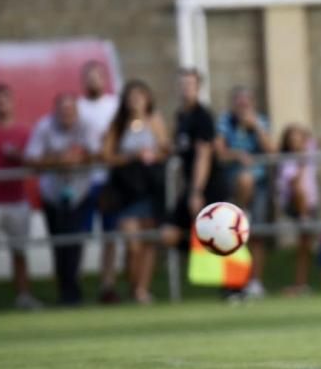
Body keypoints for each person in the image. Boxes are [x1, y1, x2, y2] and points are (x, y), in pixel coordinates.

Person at [26, 93, 100, 306]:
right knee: (58, 243)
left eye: (71, 110)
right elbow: (32, 158)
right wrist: (58, 160)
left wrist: (79, 157)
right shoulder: (44, 126)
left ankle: (74, 292)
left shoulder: (87, 125)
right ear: (56, 110)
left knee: (76, 240)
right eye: (63, 110)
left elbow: (98, 153)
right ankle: (64, 292)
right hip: (53, 193)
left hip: (80, 192)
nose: (67, 114)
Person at [102, 79, 169, 304]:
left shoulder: (154, 120)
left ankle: (142, 289)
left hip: (149, 188)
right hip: (126, 190)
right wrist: (131, 157)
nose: (136, 101)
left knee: (148, 241)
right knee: (133, 243)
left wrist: (151, 154)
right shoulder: (119, 124)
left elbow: (164, 149)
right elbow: (107, 156)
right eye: (132, 97)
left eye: (140, 96)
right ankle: (133, 283)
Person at [0, 85, 41, 313]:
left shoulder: (25, 132)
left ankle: (23, 296)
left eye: (6, 98)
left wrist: (18, 156)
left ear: (12, 102)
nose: (2, 103)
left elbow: (34, 162)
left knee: (20, 252)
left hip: (16, 200)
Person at [218, 86, 274, 297]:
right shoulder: (225, 122)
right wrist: (237, 154)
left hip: (259, 185)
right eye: (238, 101)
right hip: (232, 185)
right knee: (231, 237)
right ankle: (235, 283)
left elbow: (271, 150)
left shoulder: (261, 121)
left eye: (246, 101)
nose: (243, 106)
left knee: (257, 235)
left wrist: (256, 128)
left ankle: (255, 281)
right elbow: (220, 152)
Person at [168, 69, 229, 256]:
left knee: (221, 237)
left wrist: (196, 191)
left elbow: (204, 155)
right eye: (183, 84)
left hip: (207, 184)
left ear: (198, 87)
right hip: (191, 183)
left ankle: (236, 282)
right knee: (171, 232)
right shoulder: (181, 116)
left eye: (190, 84)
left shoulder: (202, 116)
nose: (186, 89)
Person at [76, 60, 122, 303]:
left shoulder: (114, 105)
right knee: (80, 234)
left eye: (97, 76)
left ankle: (107, 284)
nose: (94, 80)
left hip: (109, 180)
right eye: (89, 76)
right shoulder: (78, 107)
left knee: (110, 235)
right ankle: (76, 285)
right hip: (83, 181)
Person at [276, 124, 319, 295]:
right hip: (295, 205)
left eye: (298, 138)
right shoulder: (287, 162)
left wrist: (305, 146)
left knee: (305, 246)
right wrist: (301, 164)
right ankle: (304, 218)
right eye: (291, 139)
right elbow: (294, 184)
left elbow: (315, 139)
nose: (295, 142)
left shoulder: (309, 151)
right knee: (303, 242)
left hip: (312, 204)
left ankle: (302, 284)